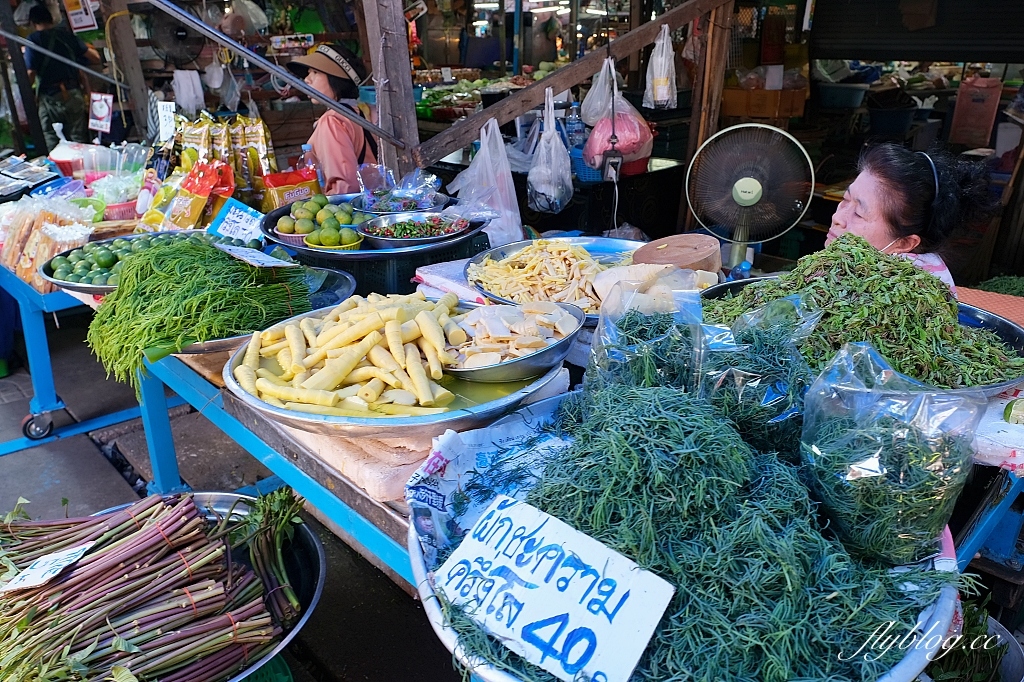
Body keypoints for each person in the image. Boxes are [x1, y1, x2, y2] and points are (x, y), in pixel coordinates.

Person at [826, 143, 996, 296]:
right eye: (845, 200)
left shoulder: (900, 291)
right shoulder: (853, 268)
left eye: (859, 214)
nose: (837, 217)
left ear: (905, 243)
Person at [286, 43, 378, 195]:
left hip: (351, 211)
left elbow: (345, 186)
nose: (307, 80)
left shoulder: (332, 121)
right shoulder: (363, 110)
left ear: (336, 79)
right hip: (374, 202)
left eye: (315, 72)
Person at [24, 3, 101, 150]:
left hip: (49, 97)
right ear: (51, 19)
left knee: (53, 139)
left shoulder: (33, 40)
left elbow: (31, 73)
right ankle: (82, 169)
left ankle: (59, 170)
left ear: (33, 23)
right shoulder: (67, 36)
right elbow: (95, 58)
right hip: (72, 93)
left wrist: (28, 95)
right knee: (79, 139)